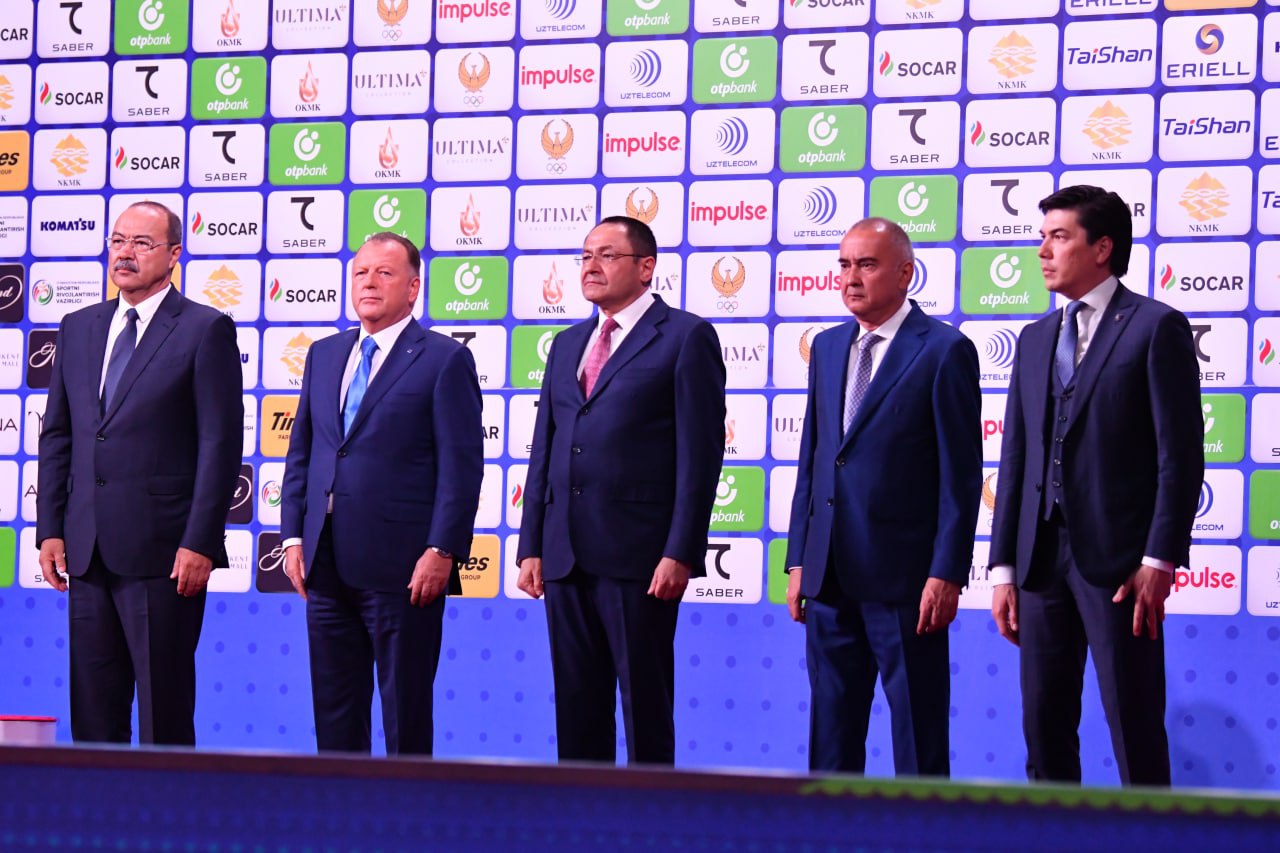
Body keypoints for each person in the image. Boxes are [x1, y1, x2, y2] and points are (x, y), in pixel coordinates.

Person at [988, 185, 1203, 786]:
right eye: (1042, 237)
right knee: (1043, 727)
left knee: (1134, 725)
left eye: (1059, 237)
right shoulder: (1034, 339)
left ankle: (1152, 833)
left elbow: (1180, 456)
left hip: (1121, 567)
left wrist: (1159, 559)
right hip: (1038, 563)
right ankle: (1053, 831)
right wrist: (1003, 568)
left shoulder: (1155, 327)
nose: (1042, 251)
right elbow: (1015, 458)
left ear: (1102, 248)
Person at [516, 215, 726, 765]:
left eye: (607, 255)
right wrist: (532, 543)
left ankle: (652, 812)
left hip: (640, 557)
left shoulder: (685, 336)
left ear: (645, 267)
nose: (591, 266)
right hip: (565, 555)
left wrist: (681, 551)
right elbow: (546, 447)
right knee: (577, 710)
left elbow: (701, 456)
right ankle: (581, 812)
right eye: (586, 255)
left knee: (645, 709)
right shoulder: (568, 343)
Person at [36, 201, 243, 746]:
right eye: (118, 241)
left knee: (163, 715)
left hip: (165, 555)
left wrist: (200, 541)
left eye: (142, 243)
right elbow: (59, 434)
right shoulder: (78, 327)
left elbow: (220, 446)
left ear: (174, 255)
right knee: (93, 716)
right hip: (87, 550)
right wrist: (51, 529)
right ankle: (99, 804)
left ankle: (170, 804)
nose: (125, 253)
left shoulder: (205, 329)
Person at [785, 217, 982, 777]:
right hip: (828, 578)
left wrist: (946, 572)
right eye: (844, 265)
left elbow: (961, 476)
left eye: (866, 265)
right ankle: (830, 827)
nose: (851, 278)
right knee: (830, 743)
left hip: (906, 583)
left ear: (905, 273)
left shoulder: (944, 350)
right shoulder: (827, 347)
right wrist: (799, 560)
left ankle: (923, 826)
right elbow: (814, 459)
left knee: (918, 740)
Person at [280, 232, 483, 756]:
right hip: (326, 564)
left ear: (413, 288)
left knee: (404, 716)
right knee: (335, 714)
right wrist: (293, 538)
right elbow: (304, 451)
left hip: (405, 569)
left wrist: (442, 549)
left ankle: (408, 807)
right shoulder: (324, 354)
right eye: (360, 273)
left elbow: (461, 468)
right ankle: (339, 806)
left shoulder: (443, 359)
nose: (368, 282)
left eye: (384, 273)